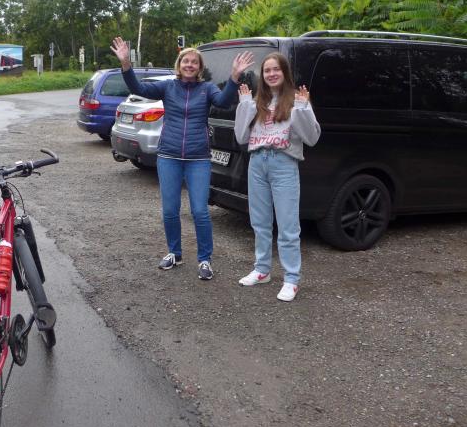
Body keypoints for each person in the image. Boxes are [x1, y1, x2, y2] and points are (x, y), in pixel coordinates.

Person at [110, 36, 254, 280]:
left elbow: (223, 101)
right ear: (179, 64)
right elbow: (139, 89)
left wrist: (234, 76)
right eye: (186, 61)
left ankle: (205, 259)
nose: (189, 65)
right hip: (169, 156)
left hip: (198, 158)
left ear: (199, 67)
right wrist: (125, 64)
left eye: (194, 62)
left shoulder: (207, 89)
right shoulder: (168, 87)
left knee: (200, 211)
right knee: (170, 210)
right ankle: (174, 253)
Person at [233, 52, 321, 301]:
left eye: (276, 69)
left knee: (287, 225)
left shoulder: (296, 100)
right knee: (259, 222)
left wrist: (302, 109)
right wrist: (244, 105)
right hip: (257, 162)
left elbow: (311, 138)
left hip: (284, 164)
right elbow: (241, 136)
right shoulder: (256, 101)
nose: (271, 74)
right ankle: (262, 270)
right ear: (262, 75)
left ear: (285, 73)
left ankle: (291, 279)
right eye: (267, 70)